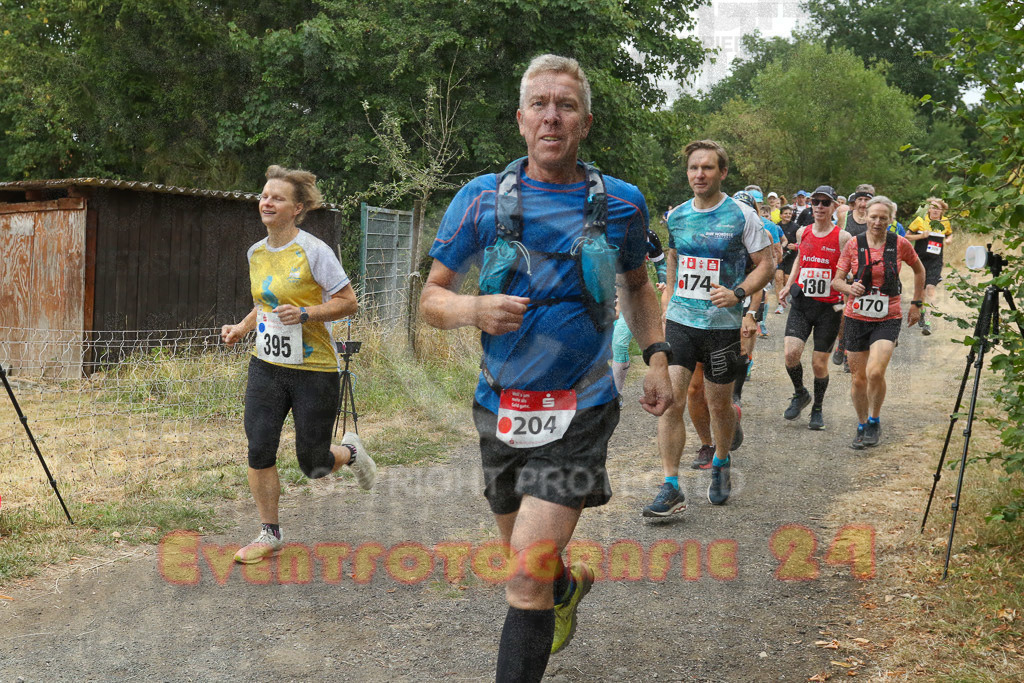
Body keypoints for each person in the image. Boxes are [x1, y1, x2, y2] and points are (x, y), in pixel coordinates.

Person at [419, 54, 672, 682]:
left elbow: (638, 288)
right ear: (521, 119)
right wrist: (472, 307)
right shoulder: (479, 199)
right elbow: (432, 300)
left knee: (524, 576)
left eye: (565, 106)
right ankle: (567, 586)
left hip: (582, 403)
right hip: (500, 401)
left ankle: (545, 597)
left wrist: (657, 357)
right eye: (540, 105)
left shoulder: (622, 204)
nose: (552, 117)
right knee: (529, 557)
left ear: (585, 122)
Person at [220, 165, 376, 565]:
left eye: (277, 197)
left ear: (298, 208)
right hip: (266, 365)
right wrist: (241, 328)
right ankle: (269, 532)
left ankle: (350, 453)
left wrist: (306, 314)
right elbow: (264, 304)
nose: (266, 202)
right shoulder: (255, 253)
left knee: (314, 464)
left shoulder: (314, 250)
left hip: (315, 369)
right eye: (264, 195)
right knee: (259, 446)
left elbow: (349, 302)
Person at [645, 140, 773, 516]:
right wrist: (668, 299)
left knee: (719, 407)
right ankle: (670, 485)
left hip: (721, 327)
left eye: (707, 168)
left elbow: (765, 265)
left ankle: (720, 461)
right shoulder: (678, 216)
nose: (699, 174)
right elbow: (673, 255)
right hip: (682, 322)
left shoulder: (742, 216)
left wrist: (739, 294)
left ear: (723, 172)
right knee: (672, 402)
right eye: (693, 168)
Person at [831, 196, 926, 449]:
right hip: (855, 317)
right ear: (866, 217)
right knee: (858, 378)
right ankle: (862, 424)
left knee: (875, 372)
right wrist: (851, 287)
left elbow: (919, 270)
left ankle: (875, 419)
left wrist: (917, 303)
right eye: (873, 217)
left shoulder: (900, 244)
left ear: (890, 220)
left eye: (883, 218)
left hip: (888, 316)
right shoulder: (854, 244)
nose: (877, 221)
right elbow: (836, 280)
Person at [777, 186, 852, 430]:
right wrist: (788, 285)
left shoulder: (843, 237)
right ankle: (800, 393)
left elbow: (850, 266)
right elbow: (801, 258)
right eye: (815, 202)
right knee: (791, 355)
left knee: (819, 364)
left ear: (833, 207)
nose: (819, 207)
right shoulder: (802, 232)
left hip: (829, 309)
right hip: (802, 302)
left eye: (825, 203)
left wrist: (849, 287)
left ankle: (817, 408)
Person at [611, 228, 669, 392]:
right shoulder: (599, 232)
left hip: (631, 300)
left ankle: (616, 395)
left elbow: (660, 263)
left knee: (619, 343)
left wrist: (663, 280)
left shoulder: (649, 236)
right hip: (603, 298)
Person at [905, 197, 953, 336]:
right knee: (921, 293)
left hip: (936, 262)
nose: (935, 210)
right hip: (920, 261)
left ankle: (928, 322)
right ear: (928, 209)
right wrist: (920, 237)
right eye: (932, 207)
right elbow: (906, 237)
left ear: (942, 210)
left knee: (930, 290)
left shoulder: (945, 222)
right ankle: (921, 314)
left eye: (938, 208)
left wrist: (949, 239)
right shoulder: (920, 221)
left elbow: (949, 234)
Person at [774, 205, 800, 314]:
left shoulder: (796, 227)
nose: (788, 215)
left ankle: (787, 296)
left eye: (790, 213)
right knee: (778, 278)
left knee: (786, 279)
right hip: (780, 256)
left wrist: (795, 246)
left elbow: (802, 242)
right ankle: (780, 304)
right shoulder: (776, 227)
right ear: (781, 215)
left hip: (792, 257)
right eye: (785, 213)